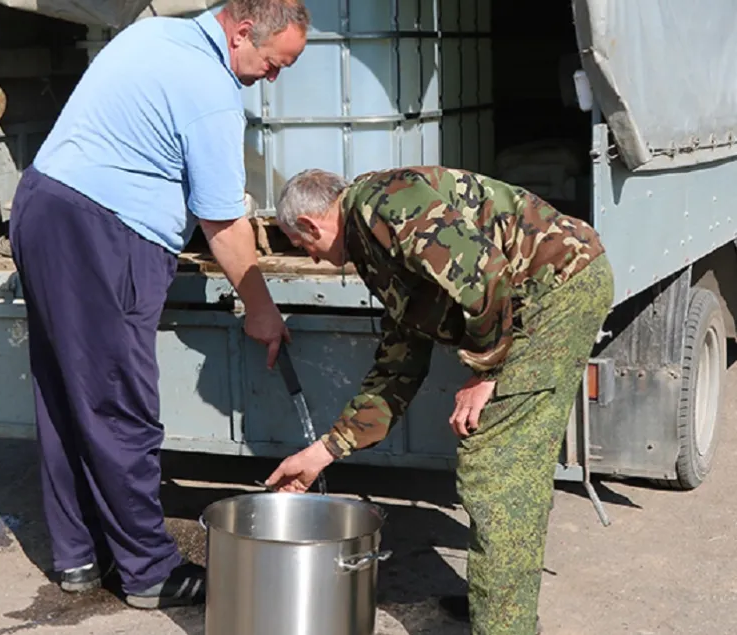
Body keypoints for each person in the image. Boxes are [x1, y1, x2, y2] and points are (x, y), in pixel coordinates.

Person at [7, 0, 310, 610]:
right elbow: (223, 221)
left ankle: (79, 555)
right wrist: (260, 306)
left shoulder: (152, 36)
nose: (269, 80)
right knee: (120, 404)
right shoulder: (213, 93)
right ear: (243, 31)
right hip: (104, 232)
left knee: (68, 394)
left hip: (42, 204)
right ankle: (148, 571)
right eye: (271, 66)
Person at [263, 166, 615, 634]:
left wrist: (485, 367)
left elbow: (485, 273)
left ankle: (504, 625)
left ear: (310, 224)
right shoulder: (372, 242)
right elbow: (398, 364)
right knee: (502, 469)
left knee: (498, 470)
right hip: (531, 297)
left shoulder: (383, 203)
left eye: (305, 247)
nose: (317, 261)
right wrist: (323, 452)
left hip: (555, 288)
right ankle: (497, 604)